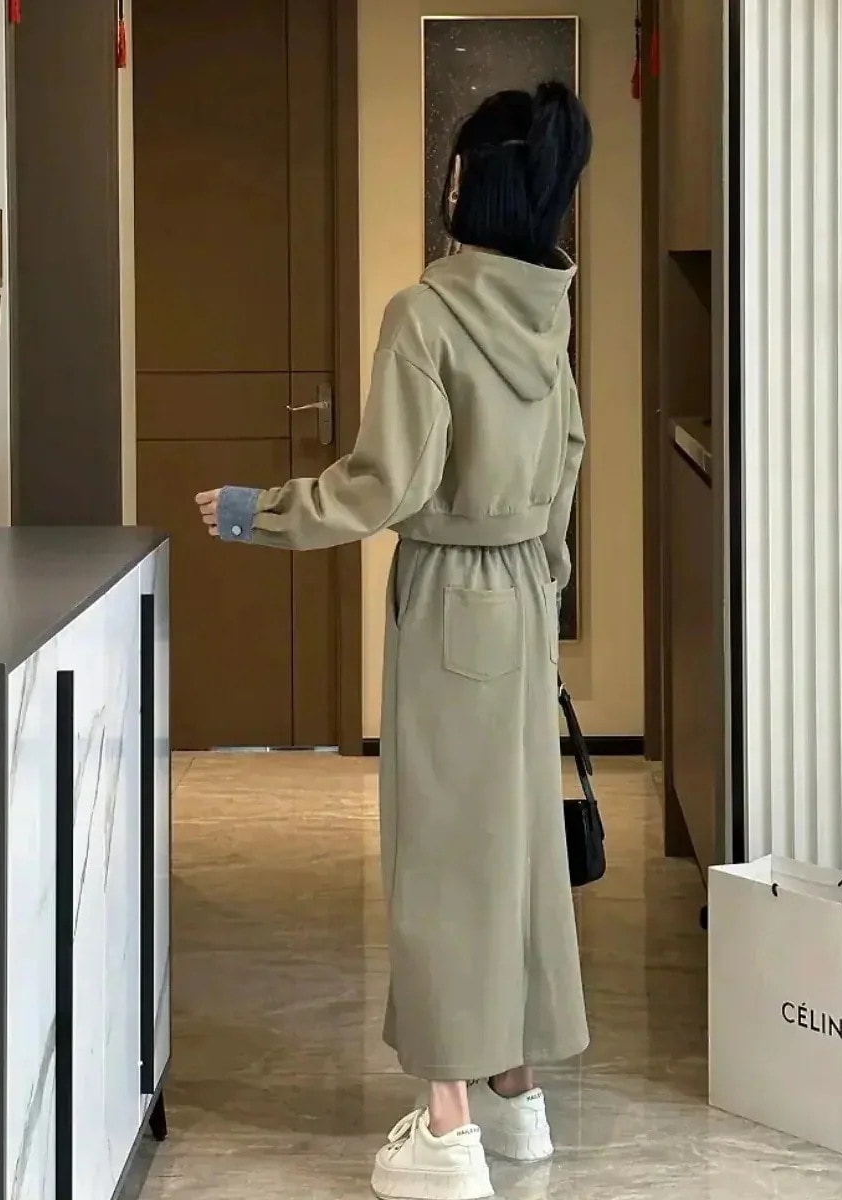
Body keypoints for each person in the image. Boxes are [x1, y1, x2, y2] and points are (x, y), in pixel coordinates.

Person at [195, 80, 593, 1200]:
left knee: (442, 862)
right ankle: (517, 1095)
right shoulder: (546, 310)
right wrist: (546, 579)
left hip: (454, 596)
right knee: (514, 852)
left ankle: (448, 1126)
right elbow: (567, 457)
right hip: (523, 596)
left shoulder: (426, 312)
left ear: (468, 183)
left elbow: (386, 485)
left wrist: (259, 512)